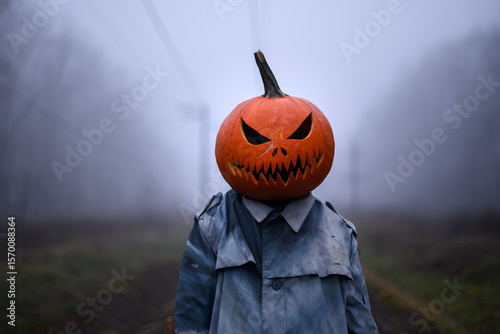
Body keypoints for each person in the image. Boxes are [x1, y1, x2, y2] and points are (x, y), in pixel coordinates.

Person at [170, 51, 378, 334]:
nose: (278, 151)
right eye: (255, 138)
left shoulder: (337, 231)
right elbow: (190, 321)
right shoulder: (213, 226)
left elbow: (360, 322)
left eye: (300, 132)